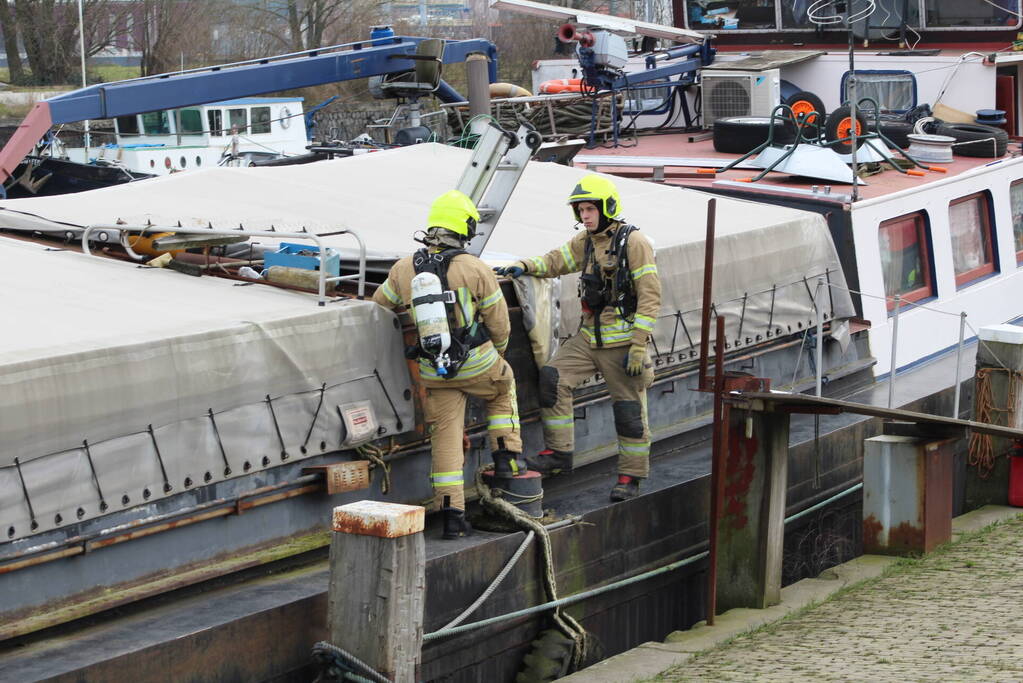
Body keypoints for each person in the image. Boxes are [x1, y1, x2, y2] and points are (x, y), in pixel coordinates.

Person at [495, 174, 660, 501]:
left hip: (623, 344)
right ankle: (559, 454)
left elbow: (650, 296)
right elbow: (557, 261)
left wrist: (639, 345)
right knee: (553, 377)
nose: (584, 216)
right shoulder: (585, 243)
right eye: (580, 210)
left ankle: (630, 476)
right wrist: (524, 266)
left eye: (589, 209)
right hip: (589, 338)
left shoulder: (634, 243)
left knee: (629, 413)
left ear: (607, 208)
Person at [373, 190, 525, 539]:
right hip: (476, 362)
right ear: (464, 228)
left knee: (445, 440)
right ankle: (507, 459)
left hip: (434, 372)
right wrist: (497, 355)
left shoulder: (403, 268)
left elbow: (379, 304)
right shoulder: (474, 267)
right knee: (504, 387)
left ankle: (451, 517)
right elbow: (499, 322)